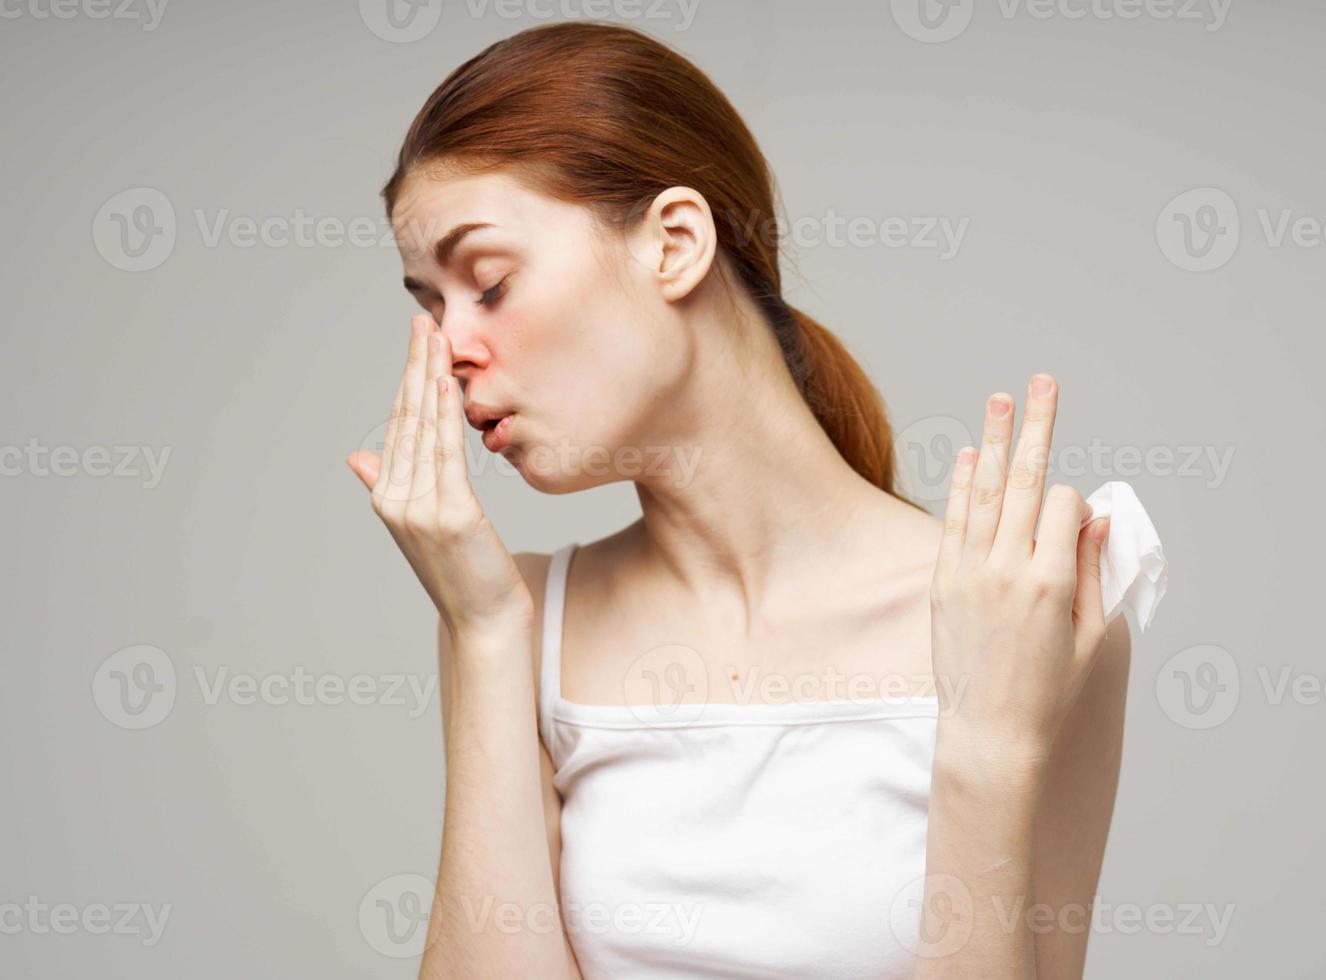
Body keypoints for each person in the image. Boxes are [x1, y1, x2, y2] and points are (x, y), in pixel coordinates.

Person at [345, 21, 1129, 979]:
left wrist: (987, 748)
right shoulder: (518, 619)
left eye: (490, 284)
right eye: (429, 306)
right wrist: (484, 630)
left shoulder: (1016, 600)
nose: (446, 348)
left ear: (674, 243)